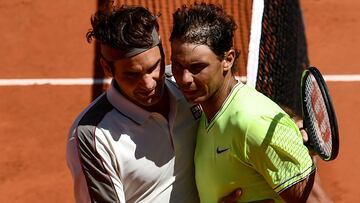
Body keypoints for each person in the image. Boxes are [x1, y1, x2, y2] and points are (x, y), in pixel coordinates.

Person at [170, 2, 317, 202]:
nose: (184, 78)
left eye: (197, 67)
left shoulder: (252, 123)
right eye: (178, 66)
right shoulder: (207, 109)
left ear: (227, 60)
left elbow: (307, 197)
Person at [66, 5, 201, 202]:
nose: (148, 84)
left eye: (154, 67)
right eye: (132, 74)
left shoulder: (188, 86)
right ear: (106, 68)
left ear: (163, 53)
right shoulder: (92, 137)